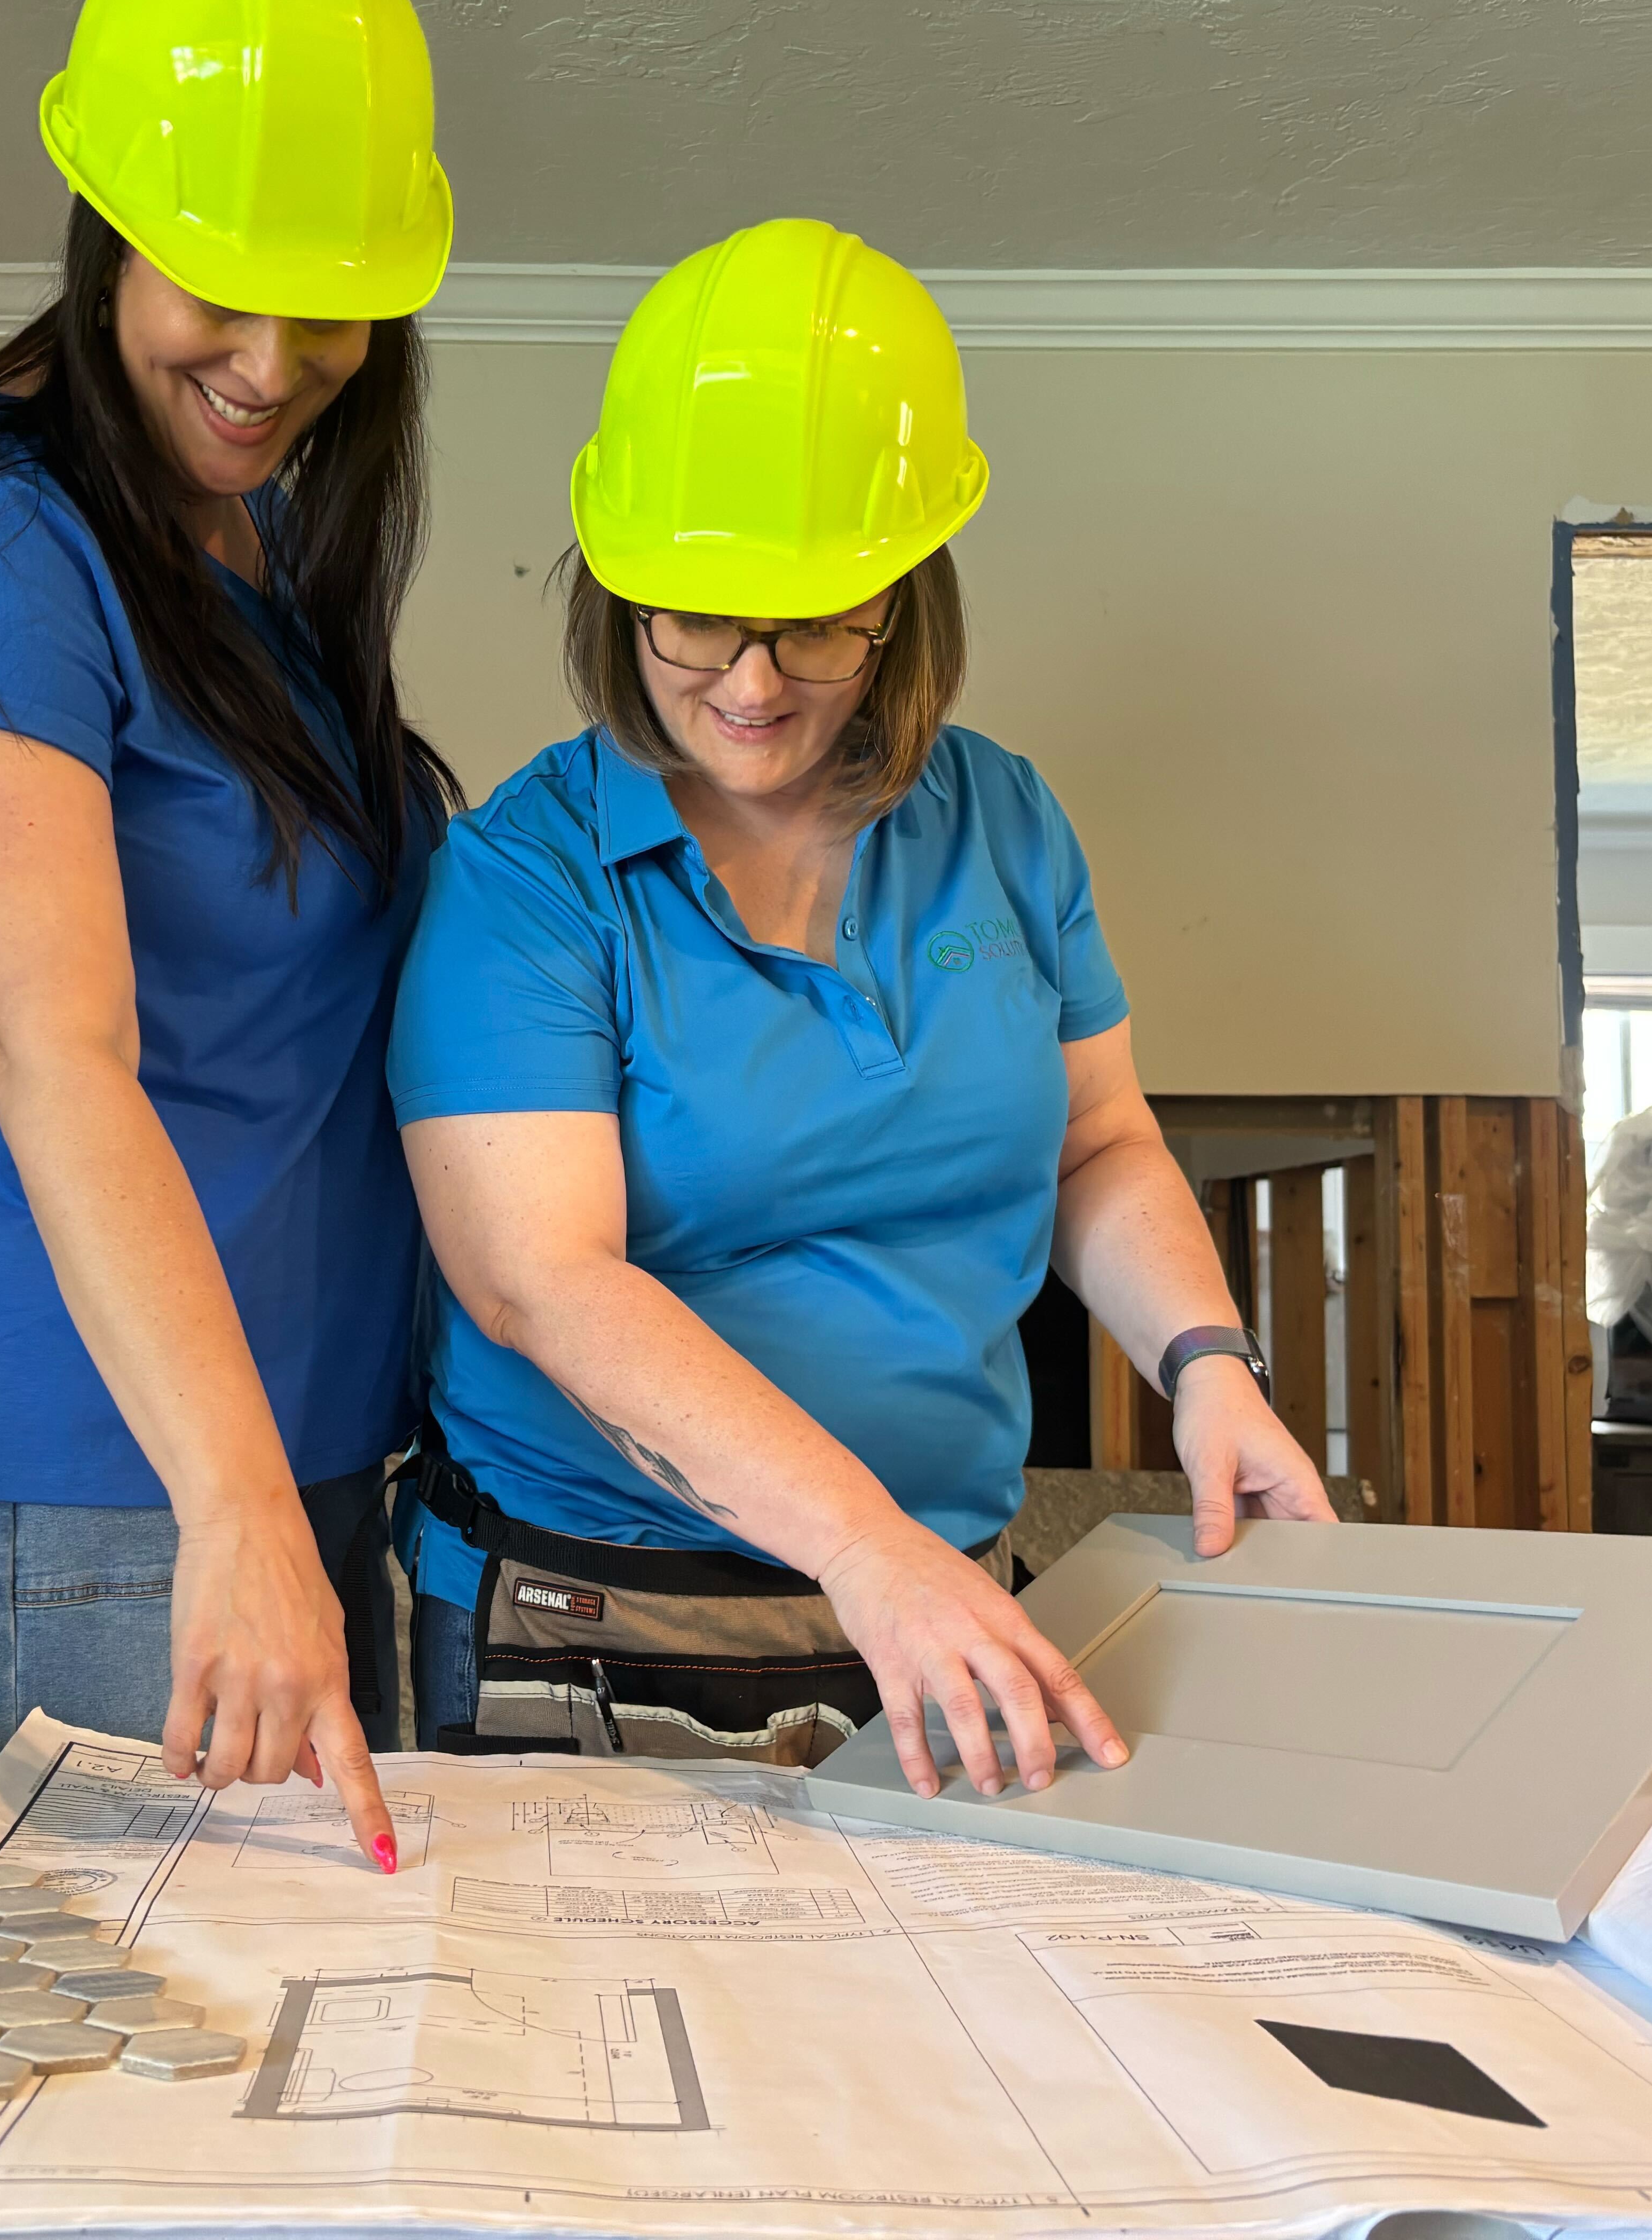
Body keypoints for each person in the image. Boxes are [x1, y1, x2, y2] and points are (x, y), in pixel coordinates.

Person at [386, 219, 1335, 1802]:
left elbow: (1099, 1140)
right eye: (696, 615)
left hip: (941, 1584)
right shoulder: (526, 878)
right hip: (603, 1612)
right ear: (618, 593)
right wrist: (856, 1544)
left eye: (818, 619)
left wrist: (1207, 1362)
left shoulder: (1005, 824)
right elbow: (545, 1283)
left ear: (906, 600)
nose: (752, 683)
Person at [0, 0, 456, 1869]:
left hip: (269, 1450)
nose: (275, 355)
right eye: (219, 282)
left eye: (334, 310)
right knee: (101, 2089)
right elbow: (50, 1051)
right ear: (104, 228)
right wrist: (231, 1504)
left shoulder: (240, 555)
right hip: (96, 1477)